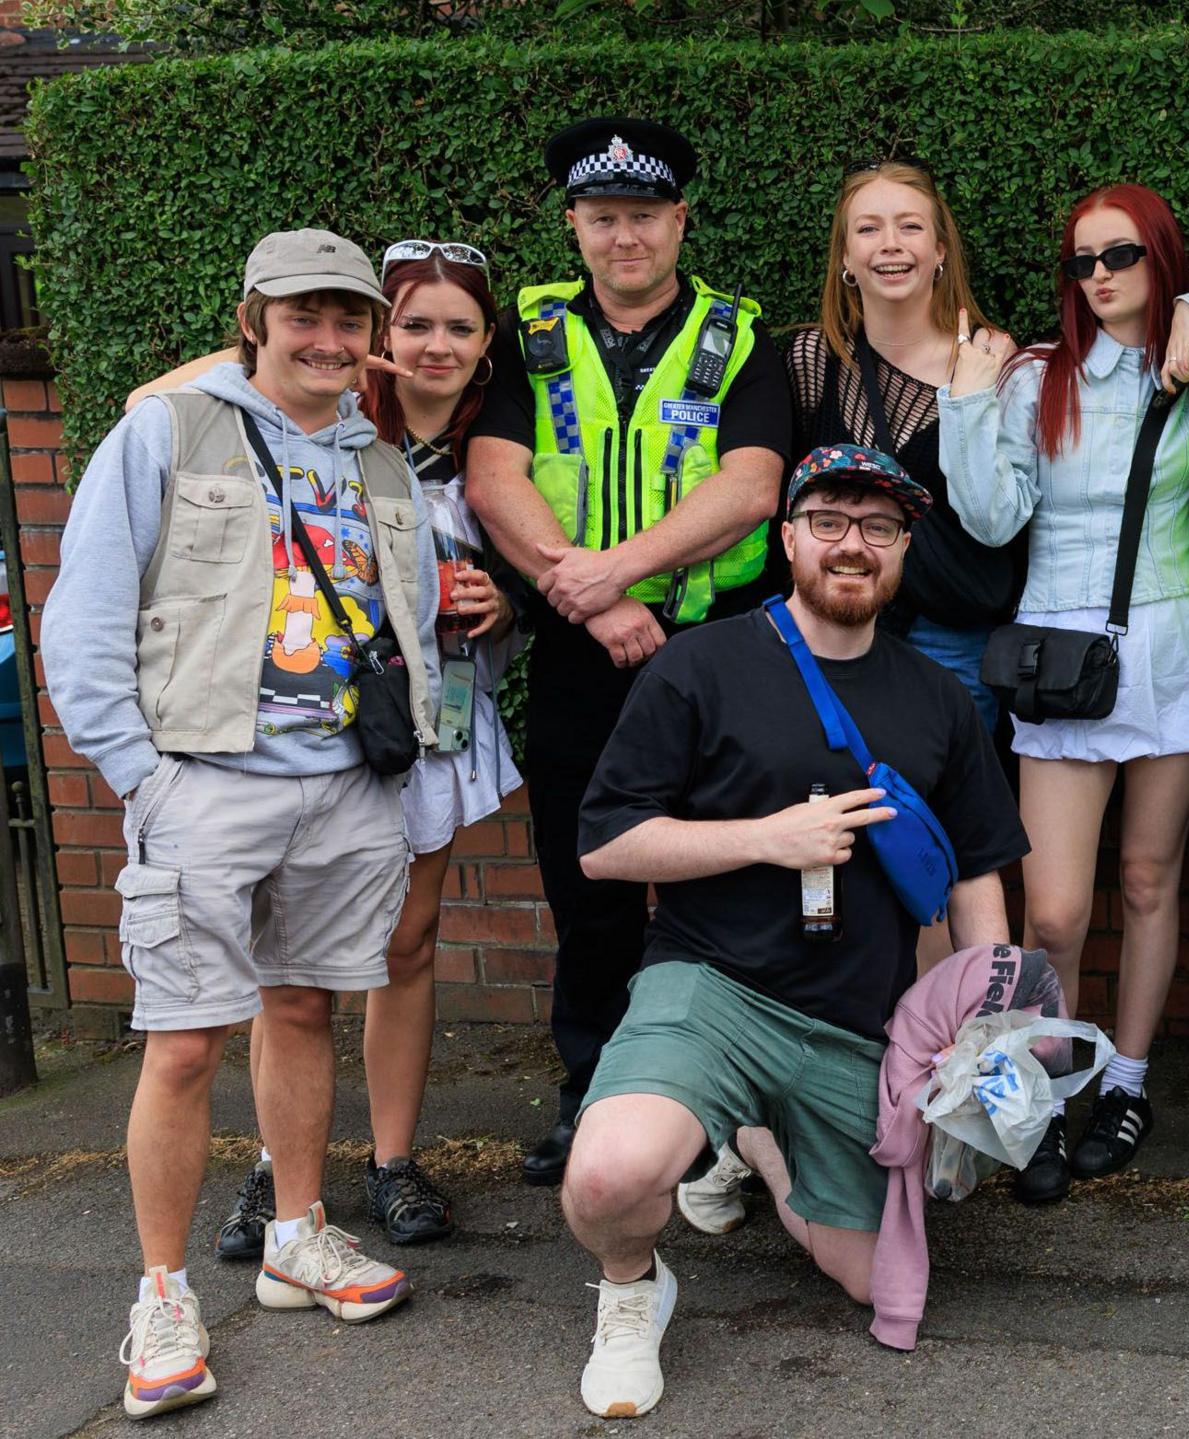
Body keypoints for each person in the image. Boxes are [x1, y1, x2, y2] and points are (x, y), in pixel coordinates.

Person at [54, 229, 439, 1418]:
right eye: (301, 314)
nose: (326, 338)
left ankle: (297, 1234)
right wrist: (145, 777)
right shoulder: (169, 432)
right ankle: (162, 1291)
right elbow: (86, 614)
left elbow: (405, 619)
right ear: (254, 318)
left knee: (305, 1005)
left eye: (347, 318)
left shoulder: (382, 461)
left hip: (346, 786)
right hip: (207, 780)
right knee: (182, 1037)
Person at [562, 444, 1027, 1418]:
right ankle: (629, 1288)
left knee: (875, 1279)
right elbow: (606, 844)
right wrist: (766, 838)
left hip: (859, 1022)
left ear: (903, 548)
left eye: (878, 527)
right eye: (829, 521)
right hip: (713, 989)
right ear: (788, 537)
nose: (851, 545)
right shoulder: (703, 662)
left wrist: (984, 1028)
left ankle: (756, 1135)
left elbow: (978, 872)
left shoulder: (936, 698)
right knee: (611, 1172)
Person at [135, 244, 529, 1258]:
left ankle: (391, 1159)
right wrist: (310, 350)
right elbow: (153, 399)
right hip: (304, 734)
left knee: (407, 941)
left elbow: (535, 573)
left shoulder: (501, 443)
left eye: (458, 327)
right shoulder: (336, 422)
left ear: (487, 347)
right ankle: (277, 1173)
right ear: (381, 338)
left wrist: (500, 605)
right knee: (289, 967)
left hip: (419, 721)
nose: (434, 345)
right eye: (412, 326)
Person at [465, 118, 793, 1187]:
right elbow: (494, 478)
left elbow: (750, 485)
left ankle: (719, 1109)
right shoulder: (531, 333)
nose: (624, 237)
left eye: (643, 215)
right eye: (602, 217)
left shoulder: (739, 336)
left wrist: (617, 574)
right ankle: (590, 1090)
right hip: (576, 650)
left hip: (708, 648)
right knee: (586, 878)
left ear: (679, 218)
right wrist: (590, 594)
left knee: (726, 874)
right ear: (574, 223)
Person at [941, 183, 1189, 1200]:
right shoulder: (1037, 379)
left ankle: (1128, 1079)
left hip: (1170, 650)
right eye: (1083, 261)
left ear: (1161, 257)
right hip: (1059, 664)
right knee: (1059, 912)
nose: (1102, 275)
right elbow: (989, 522)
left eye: (1123, 255)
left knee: (1152, 880)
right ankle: (1044, 1085)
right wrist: (965, 397)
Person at [784, 160, 1025, 730]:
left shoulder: (995, 363)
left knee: (934, 811)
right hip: (827, 629)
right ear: (845, 258)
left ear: (941, 249)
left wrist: (970, 395)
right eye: (868, 229)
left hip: (951, 644)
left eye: (910, 227)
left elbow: (1001, 522)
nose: (890, 244)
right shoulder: (812, 360)